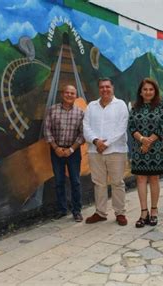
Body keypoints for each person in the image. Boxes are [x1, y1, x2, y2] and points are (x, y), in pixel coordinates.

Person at [83, 78, 129, 226]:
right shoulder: (91, 106)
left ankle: (120, 213)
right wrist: (96, 141)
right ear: (99, 89)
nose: (105, 89)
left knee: (117, 182)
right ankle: (100, 213)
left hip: (116, 150)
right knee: (99, 183)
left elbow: (121, 128)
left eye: (107, 87)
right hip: (95, 151)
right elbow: (86, 126)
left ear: (112, 88)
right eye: (102, 87)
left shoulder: (120, 105)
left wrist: (106, 144)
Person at [128, 78, 163, 228]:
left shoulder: (161, 106)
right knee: (140, 179)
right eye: (145, 89)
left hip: (156, 149)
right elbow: (131, 126)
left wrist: (149, 141)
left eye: (151, 89)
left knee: (154, 179)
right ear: (140, 91)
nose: (148, 92)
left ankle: (154, 211)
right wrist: (143, 140)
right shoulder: (135, 107)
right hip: (139, 149)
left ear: (155, 91)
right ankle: (143, 212)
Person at [44, 85, 85, 222]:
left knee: (75, 181)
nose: (69, 95)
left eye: (72, 93)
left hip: (73, 151)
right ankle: (62, 210)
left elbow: (82, 134)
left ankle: (77, 211)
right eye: (67, 92)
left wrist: (71, 149)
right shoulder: (52, 110)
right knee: (59, 181)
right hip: (56, 151)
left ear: (75, 95)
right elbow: (47, 130)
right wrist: (56, 147)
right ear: (62, 94)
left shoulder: (80, 113)